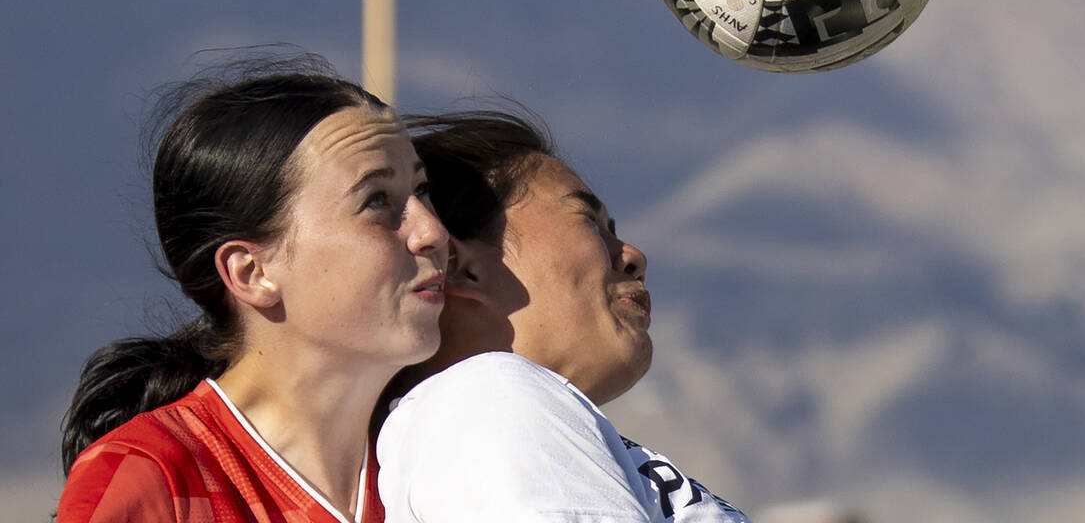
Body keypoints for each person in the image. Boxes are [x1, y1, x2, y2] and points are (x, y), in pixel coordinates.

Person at [57, 61, 450, 523]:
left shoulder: (448, 461)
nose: (432, 231)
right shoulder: (153, 478)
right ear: (251, 272)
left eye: (422, 190)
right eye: (377, 200)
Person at [376, 110, 751, 522]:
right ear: (462, 267)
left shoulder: (488, 413)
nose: (632, 256)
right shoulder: (488, 396)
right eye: (590, 222)